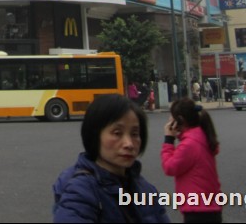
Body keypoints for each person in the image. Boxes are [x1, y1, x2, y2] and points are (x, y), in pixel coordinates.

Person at [52, 94, 170, 223]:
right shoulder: (80, 192)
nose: (129, 144)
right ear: (94, 135)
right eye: (117, 133)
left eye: (135, 134)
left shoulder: (146, 189)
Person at [161, 98, 223, 223]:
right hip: (209, 206)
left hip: (198, 210)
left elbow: (170, 167)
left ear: (180, 120)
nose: (169, 121)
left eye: (171, 118)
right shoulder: (201, 136)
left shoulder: (189, 144)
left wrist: (168, 140)